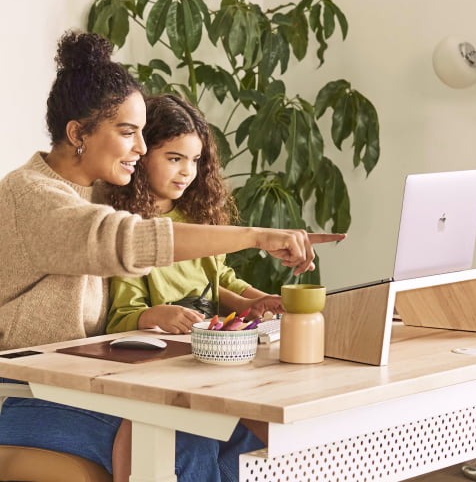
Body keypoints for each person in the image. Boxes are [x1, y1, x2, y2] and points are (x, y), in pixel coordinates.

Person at [0, 30, 345, 482]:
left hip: (80, 381)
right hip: (24, 393)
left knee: (246, 437)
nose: (142, 150)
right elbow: (126, 241)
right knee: (183, 435)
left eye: (143, 134)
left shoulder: (96, 191)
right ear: (77, 133)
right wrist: (256, 235)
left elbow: (172, 259)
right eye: (128, 133)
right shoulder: (32, 197)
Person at [107, 93, 284, 336]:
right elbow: (121, 317)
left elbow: (218, 278)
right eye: (175, 159)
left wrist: (256, 300)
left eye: (195, 160)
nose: (187, 172)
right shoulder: (130, 228)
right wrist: (156, 315)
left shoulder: (196, 216)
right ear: (142, 154)